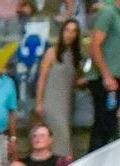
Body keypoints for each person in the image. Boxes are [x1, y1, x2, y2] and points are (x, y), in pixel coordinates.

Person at [87, 0, 120, 151]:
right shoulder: (108, 12)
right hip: (105, 78)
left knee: (110, 126)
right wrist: (106, 75)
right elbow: (95, 44)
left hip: (114, 77)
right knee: (102, 126)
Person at [37, 18, 84, 157]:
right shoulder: (52, 52)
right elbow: (42, 79)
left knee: (62, 137)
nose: (70, 34)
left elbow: (74, 81)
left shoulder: (75, 56)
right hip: (51, 102)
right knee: (61, 139)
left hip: (66, 104)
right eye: (67, 30)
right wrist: (39, 103)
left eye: (74, 31)